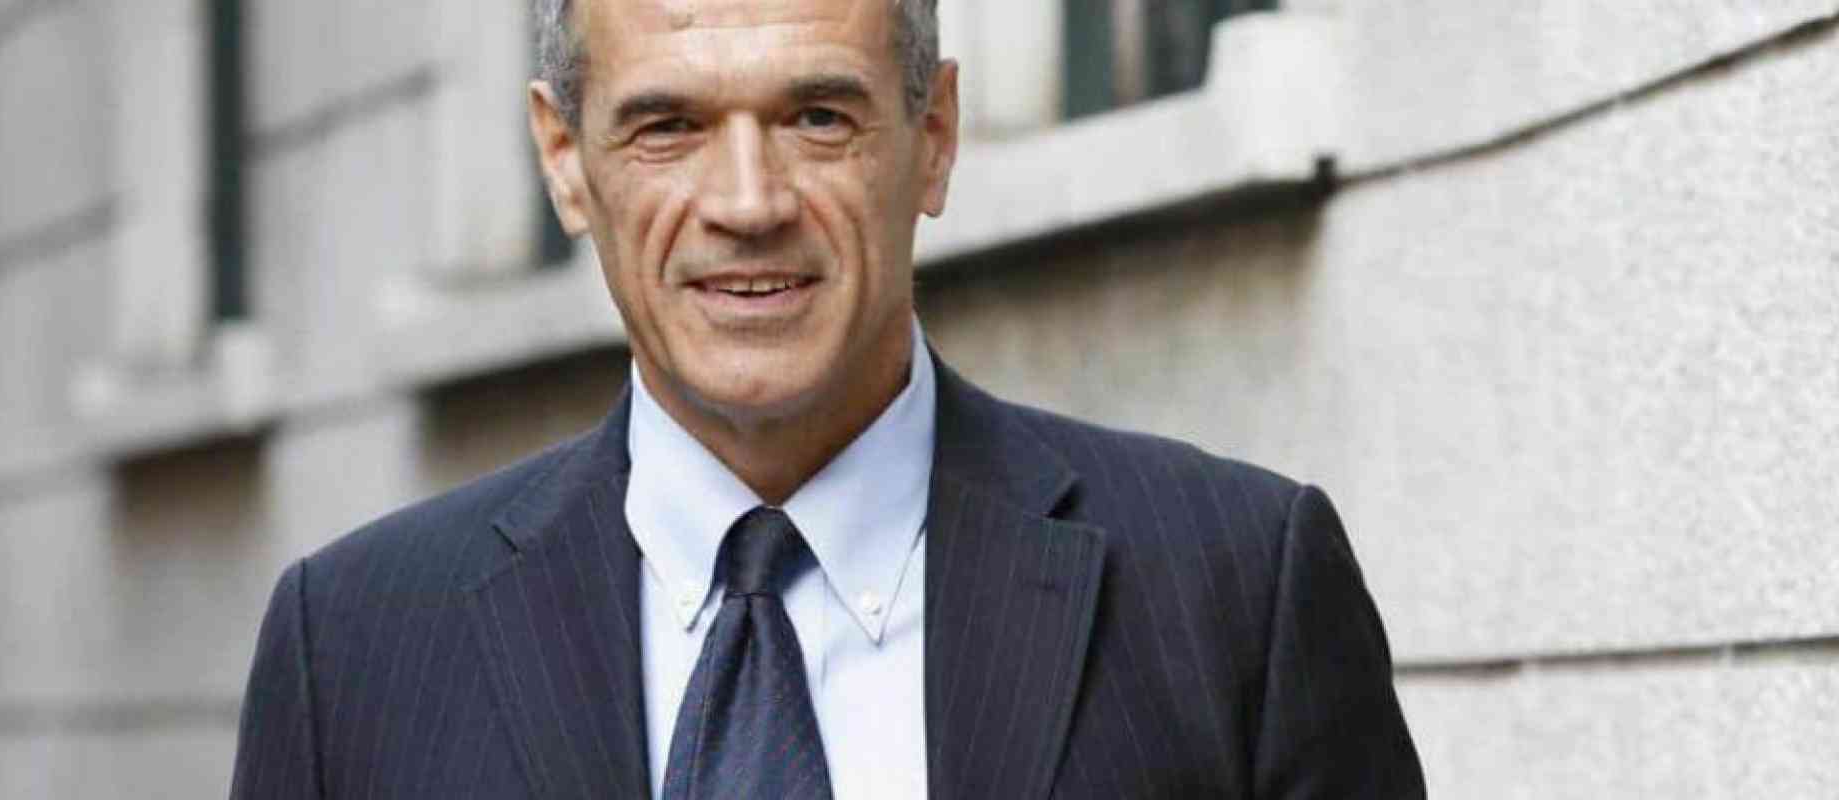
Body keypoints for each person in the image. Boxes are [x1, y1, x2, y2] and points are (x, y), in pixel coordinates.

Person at [229, 0, 1425, 797]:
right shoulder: (357, 648)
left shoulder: (1233, 591)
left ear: (935, 135)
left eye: (817, 117)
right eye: (668, 126)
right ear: (564, 161)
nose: (749, 201)